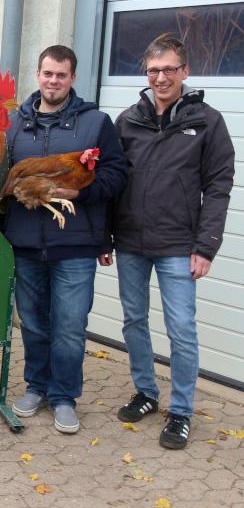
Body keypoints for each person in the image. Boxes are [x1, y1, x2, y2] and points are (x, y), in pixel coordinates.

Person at [110, 34, 234, 450]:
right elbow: (112, 180)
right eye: (153, 70)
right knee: (133, 321)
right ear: (146, 72)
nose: (161, 77)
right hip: (130, 241)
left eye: (169, 69)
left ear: (184, 71)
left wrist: (206, 246)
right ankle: (146, 392)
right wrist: (105, 235)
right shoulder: (127, 120)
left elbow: (219, 185)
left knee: (181, 329)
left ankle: (180, 411)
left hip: (180, 245)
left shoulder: (208, 121)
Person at [5, 45, 127, 434]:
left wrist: (80, 194)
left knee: (70, 325)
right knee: (34, 324)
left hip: (74, 244)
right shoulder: (14, 123)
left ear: (72, 78)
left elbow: (117, 176)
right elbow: (1, 177)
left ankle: (63, 397)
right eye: (47, 73)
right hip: (24, 241)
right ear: (37, 75)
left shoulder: (96, 124)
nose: (53, 81)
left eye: (61, 75)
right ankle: (36, 387)